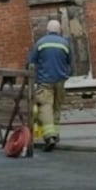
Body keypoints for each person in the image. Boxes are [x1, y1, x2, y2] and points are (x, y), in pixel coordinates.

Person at [29, 20, 71, 152]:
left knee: (45, 107)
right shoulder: (65, 43)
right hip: (60, 80)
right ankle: (56, 134)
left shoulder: (40, 43)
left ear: (47, 30)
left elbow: (31, 62)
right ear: (59, 31)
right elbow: (70, 62)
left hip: (44, 80)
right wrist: (66, 74)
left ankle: (49, 136)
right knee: (57, 107)